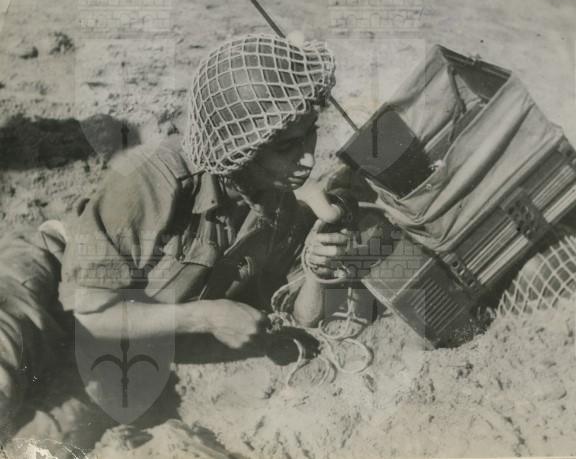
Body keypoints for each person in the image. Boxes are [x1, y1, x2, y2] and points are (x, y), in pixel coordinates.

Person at [0, 33, 355, 439]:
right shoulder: (155, 175)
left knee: (48, 439)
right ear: (239, 144)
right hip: (50, 276)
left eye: (310, 133)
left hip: (128, 343)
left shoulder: (279, 209)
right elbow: (89, 310)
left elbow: (302, 318)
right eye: (287, 146)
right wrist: (205, 316)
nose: (308, 157)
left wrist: (316, 269)